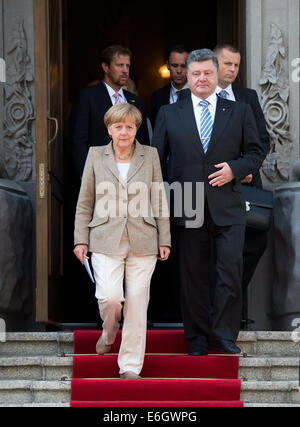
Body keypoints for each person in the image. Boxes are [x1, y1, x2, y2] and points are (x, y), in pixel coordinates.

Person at [152, 49, 265, 355]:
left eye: (207, 73)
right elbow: (155, 162)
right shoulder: (168, 113)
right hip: (186, 201)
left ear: (217, 76)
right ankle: (198, 339)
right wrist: (159, 206)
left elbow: (256, 151)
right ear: (186, 77)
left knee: (229, 271)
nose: (202, 79)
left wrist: (235, 169)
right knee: (193, 277)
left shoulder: (239, 110)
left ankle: (225, 336)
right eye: (195, 74)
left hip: (228, 202)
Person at [73, 103, 171, 379]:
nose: (124, 132)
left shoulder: (149, 155)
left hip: (144, 240)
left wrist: (165, 238)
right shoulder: (95, 155)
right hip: (104, 238)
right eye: (118, 127)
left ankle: (129, 367)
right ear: (109, 129)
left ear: (137, 128)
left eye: (129, 126)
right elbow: (85, 201)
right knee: (109, 297)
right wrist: (81, 239)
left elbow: (159, 199)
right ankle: (109, 332)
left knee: (138, 304)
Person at [214, 44, 270, 326]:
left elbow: (262, 141)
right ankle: (218, 315)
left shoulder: (248, 97)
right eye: (227, 64)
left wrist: (242, 168)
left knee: (255, 244)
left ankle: (232, 309)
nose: (232, 70)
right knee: (214, 253)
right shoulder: (198, 96)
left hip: (246, 188)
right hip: (210, 188)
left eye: (236, 65)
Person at [69, 45, 150, 180]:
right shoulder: (87, 97)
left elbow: (143, 143)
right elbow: (78, 142)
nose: (125, 71)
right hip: (99, 176)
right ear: (105, 67)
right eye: (119, 65)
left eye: (127, 66)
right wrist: (87, 178)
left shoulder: (137, 102)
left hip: (132, 178)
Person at [150, 45, 189, 128]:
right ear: (167, 65)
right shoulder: (157, 97)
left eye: (183, 66)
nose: (179, 71)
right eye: (175, 65)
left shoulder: (200, 95)